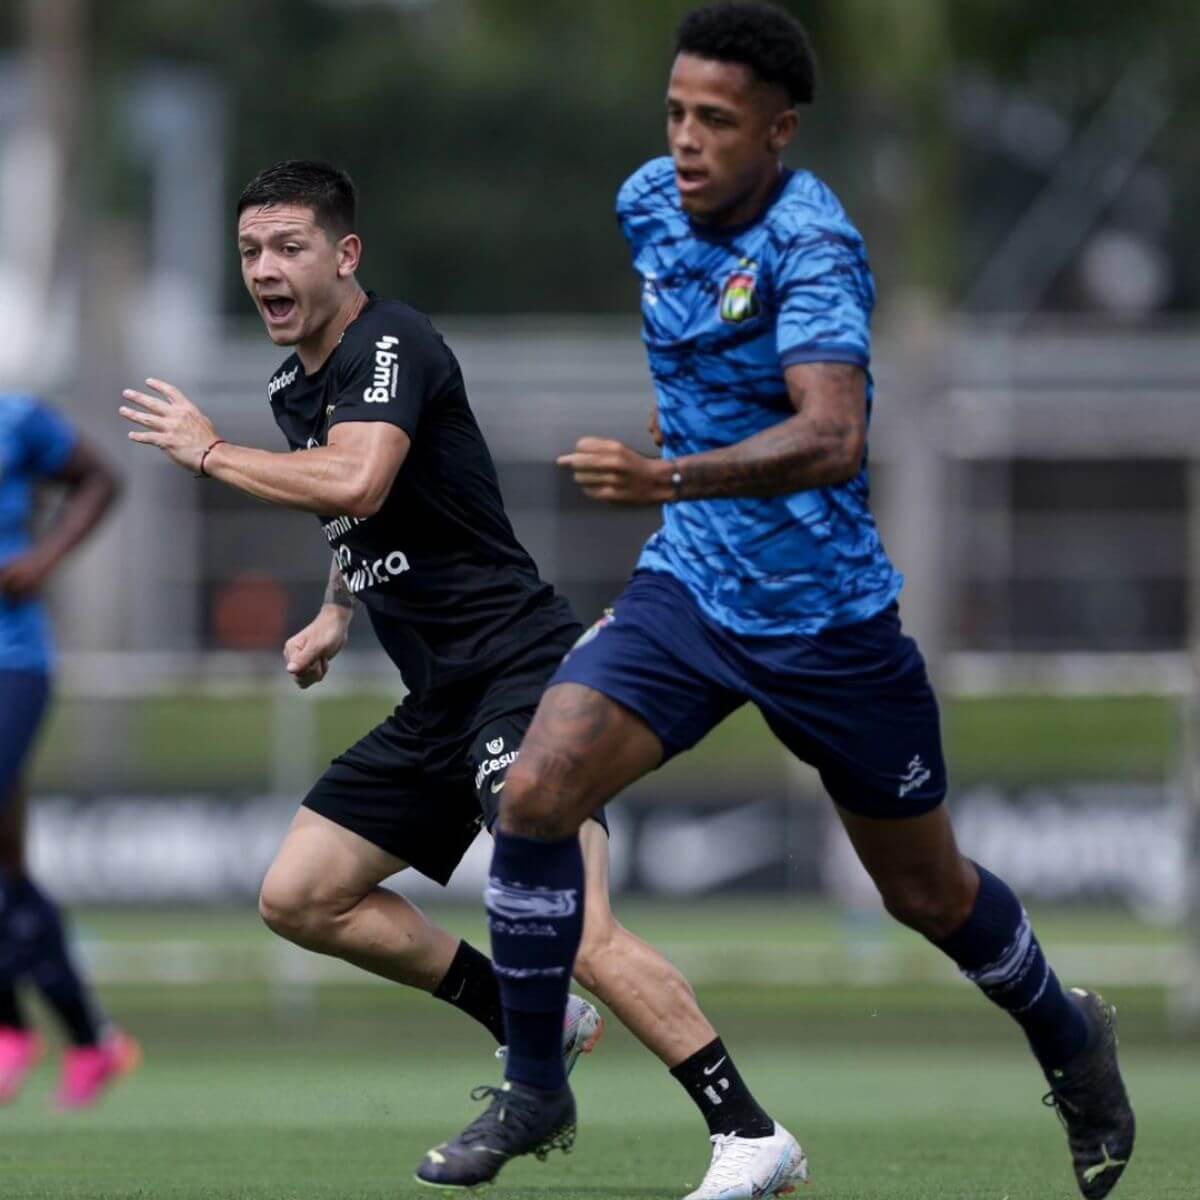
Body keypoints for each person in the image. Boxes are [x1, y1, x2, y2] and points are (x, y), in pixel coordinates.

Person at [421, 6, 1135, 1199]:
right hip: (691, 593)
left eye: (717, 121)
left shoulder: (815, 245)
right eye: (676, 112)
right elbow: (701, 360)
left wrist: (670, 471)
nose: (687, 141)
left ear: (779, 132)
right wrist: (683, 457)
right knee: (536, 791)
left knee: (927, 892)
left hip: (829, 625)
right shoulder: (647, 202)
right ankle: (537, 1081)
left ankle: (1069, 1036)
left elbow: (832, 432)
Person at [119, 158, 800, 1197]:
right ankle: (529, 1019)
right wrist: (337, 609)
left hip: (524, 675)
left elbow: (358, 475)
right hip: (441, 696)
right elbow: (357, 513)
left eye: (289, 247)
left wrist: (211, 454)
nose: (265, 268)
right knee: (301, 895)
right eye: (251, 250)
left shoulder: (393, 341)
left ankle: (750, 1132)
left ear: (346, 255)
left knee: (575, 923)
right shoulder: (295, 384)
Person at [0, 394, 135, 1109]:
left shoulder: (14, 418)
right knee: (9, 864)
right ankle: (85, 1037)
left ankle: (19, 1032)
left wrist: (45, 557)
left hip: (10, 659)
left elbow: (102, 477)